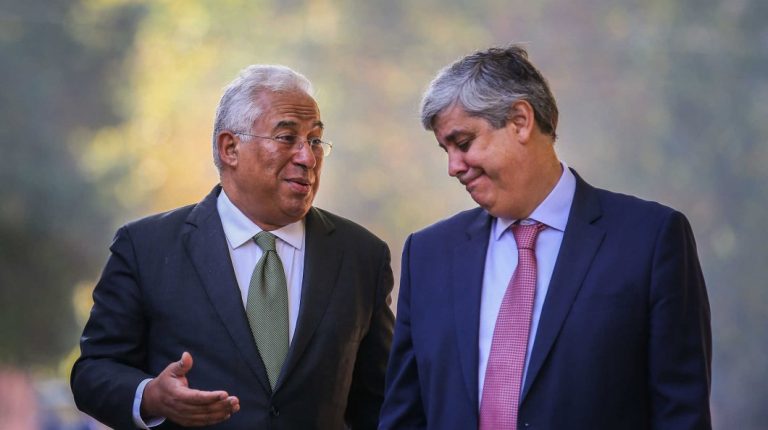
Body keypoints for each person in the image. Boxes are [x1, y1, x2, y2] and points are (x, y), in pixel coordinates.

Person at [379, 46, 712, 429]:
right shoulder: (428, 255)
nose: (453, 167)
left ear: (520, 121)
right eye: (446, 150)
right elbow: (404, 416)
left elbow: (681, 415)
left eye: (464, 143)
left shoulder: (649, 240)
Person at [71, 65, 394, 429]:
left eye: (316, 140)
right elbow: (94, 371)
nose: (307, 157)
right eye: (287, 137)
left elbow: (383, 401)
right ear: (230, 148)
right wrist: (151, 396)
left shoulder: (361, 257)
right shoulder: (146, 248)